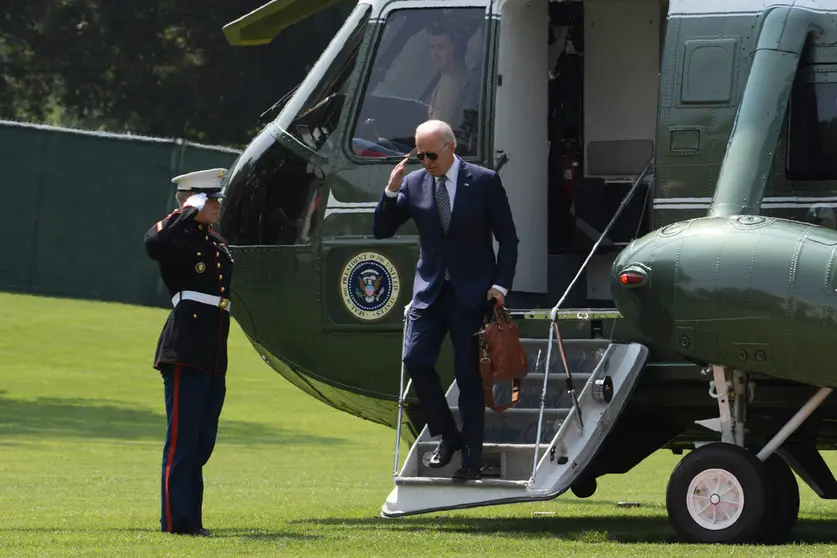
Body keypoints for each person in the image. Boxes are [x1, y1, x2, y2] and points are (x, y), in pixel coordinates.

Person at [373, 120, 519, 480]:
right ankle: (446, 436)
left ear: (451, 148)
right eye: (420, 155)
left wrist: (500, 286)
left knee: (468, 376)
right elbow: (382, 229)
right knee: (415, 360)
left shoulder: (483, 181)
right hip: (431, 293)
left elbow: (509, 240)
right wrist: (391, 192)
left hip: (472, 294)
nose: (426, 162)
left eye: (432, 154)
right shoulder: (414, 182)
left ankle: (472, 461)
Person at [143, 167, 234, 536]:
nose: (217, 205)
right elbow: (154, 244)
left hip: (213, 347)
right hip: (185, 345)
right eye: (210, 199)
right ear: (194, 200)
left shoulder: (213, 241)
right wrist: (184, 211)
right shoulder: (176, 236)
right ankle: (179, 522)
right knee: (182, 440)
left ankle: (189, 518)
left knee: (202, 440)